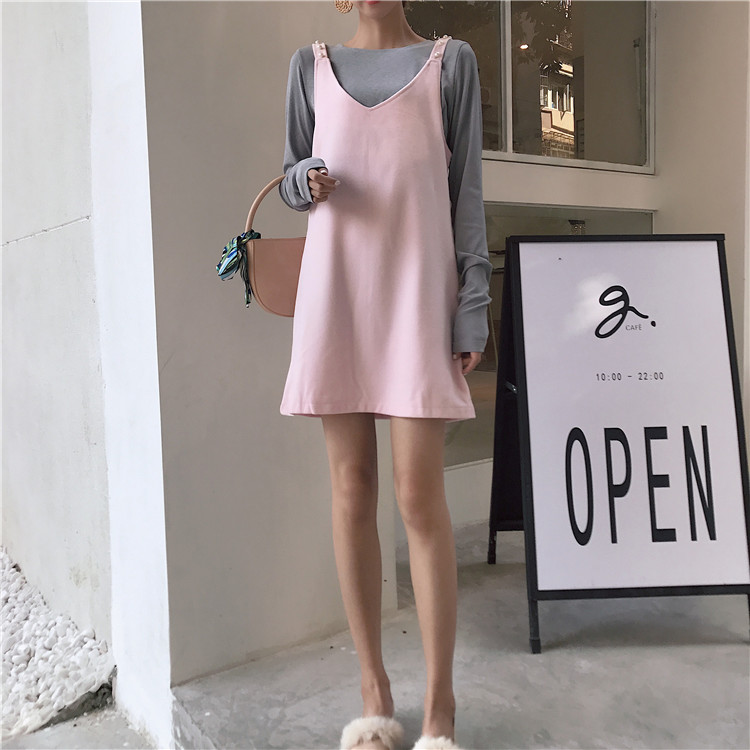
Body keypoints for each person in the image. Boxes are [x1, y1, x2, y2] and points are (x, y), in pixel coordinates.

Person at [277, 2, 492, 749]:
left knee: (418, 495)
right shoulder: (308, 67)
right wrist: (303, 180)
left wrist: (473, 308)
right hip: (337, 295)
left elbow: (467, 193)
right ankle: (373, 695)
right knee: (350, 490)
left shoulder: (451, 63)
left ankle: (439, 708)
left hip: (417, 299)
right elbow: (288, 177)